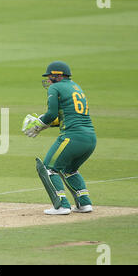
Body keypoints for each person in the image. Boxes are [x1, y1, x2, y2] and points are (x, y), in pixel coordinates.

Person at [22, 61, 96, 215]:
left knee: (49, 168)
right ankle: (84, 203)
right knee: (70, 169)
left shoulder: (56, 87)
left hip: (71, 137)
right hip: (90, 139)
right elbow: (64, 116)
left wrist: (39, 124)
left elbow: (51, 114)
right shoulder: (76, 86)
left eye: (50, 76)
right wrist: (44, 124)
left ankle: (61, 206)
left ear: (58, 75)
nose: (48, 80)